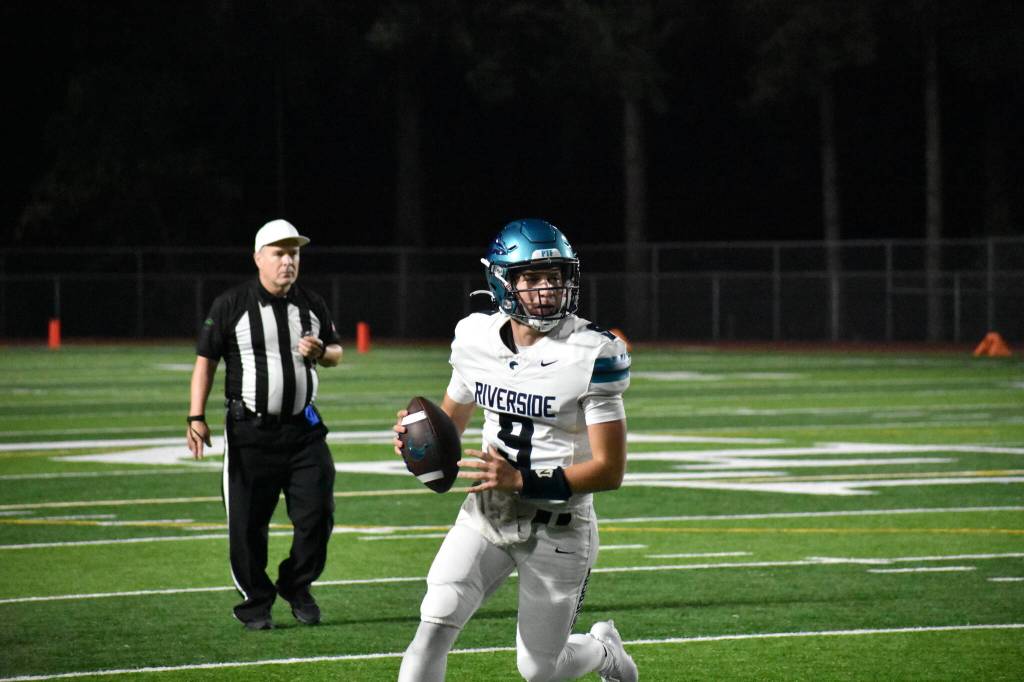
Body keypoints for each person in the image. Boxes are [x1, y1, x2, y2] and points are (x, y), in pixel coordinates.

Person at [392, 219, 637, 681]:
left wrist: (523, 479)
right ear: (502, 281)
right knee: (435, 618)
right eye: (532, 278)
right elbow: (449, 425)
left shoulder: (591, 353)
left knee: (540, 669)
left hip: (559, 527)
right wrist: (417, 437)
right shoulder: (474, 339)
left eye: (556, 276)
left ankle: (604, 651)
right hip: (487, 513)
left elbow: (609, 470)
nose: (547, 289)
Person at [186, 218, 343, 631]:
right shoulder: (232, 304)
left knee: (318, 513)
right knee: (247, 525)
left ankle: (296, 583)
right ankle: (255, 602)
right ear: (258, 258)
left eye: (294, 253)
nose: (288, 261)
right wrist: (196, 416)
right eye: (279, 252)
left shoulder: (311, 303)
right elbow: (206, 362)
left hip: (304, 431)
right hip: (249, 433)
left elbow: (337, 353)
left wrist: (321, 351)